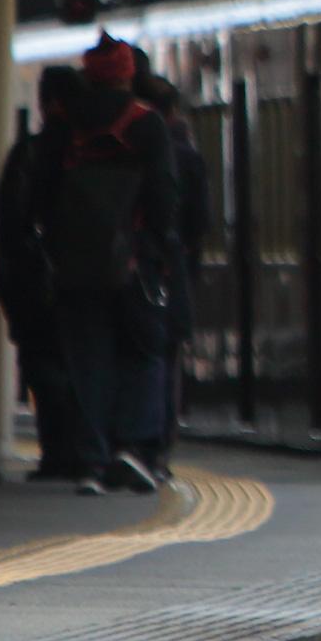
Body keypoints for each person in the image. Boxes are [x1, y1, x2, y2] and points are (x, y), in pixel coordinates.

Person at [37, 38, 180, 496]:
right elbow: (164, 195)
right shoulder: (145, 125)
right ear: (127, 73)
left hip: (75, 266)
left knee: (86, 361)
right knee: (143, 352)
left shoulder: (64, 127)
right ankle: (132, 449)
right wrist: (156, 249)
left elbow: (39, 192)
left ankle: (91, 462)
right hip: (135, 263)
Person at [0, 68, 89, 478]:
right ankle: (90, 450)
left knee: (43, 365)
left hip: (36, 279)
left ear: (47, 103)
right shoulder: (95, 151)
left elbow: (10, 222)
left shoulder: (31, 154)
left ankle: (58, 452)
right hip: (91, 277)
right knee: (86, 362)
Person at [130, 70, 208, 477]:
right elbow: (199, 225)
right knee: (162, 358)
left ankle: (124, 445)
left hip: (121, 270)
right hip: (166, 273)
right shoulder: (187, 157)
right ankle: (155, 449)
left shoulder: (114, 144)